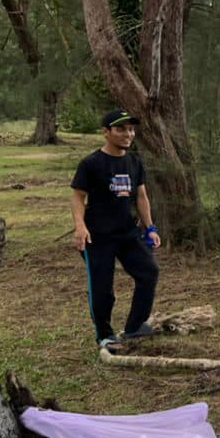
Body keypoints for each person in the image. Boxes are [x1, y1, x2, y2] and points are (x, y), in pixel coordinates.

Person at [70, 109, 160, 352]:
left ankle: (134, 326)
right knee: (102, 289)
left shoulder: (134, 161)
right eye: (120, 129)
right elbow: (78, 197)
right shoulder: (91, 163)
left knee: (148, 272)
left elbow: (141, 196)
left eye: (131, 129)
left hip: (127, 233)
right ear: (106, 132)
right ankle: (105, 335)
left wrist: (150, 227)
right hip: (97, 237)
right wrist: (80, 227)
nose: (128, 134)